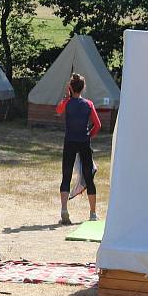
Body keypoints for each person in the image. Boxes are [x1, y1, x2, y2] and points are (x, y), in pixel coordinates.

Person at [56, 73, 101, 225]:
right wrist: (90, 135)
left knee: (66, 176)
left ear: (70, 88)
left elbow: (58, 110)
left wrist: (67, 97)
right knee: (88, 176)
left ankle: (64, 209)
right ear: (83, 88)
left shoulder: (67, 103)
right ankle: (93, 213)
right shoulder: (88, 104)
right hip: (84, 142)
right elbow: (98, 124)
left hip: (69, 141)